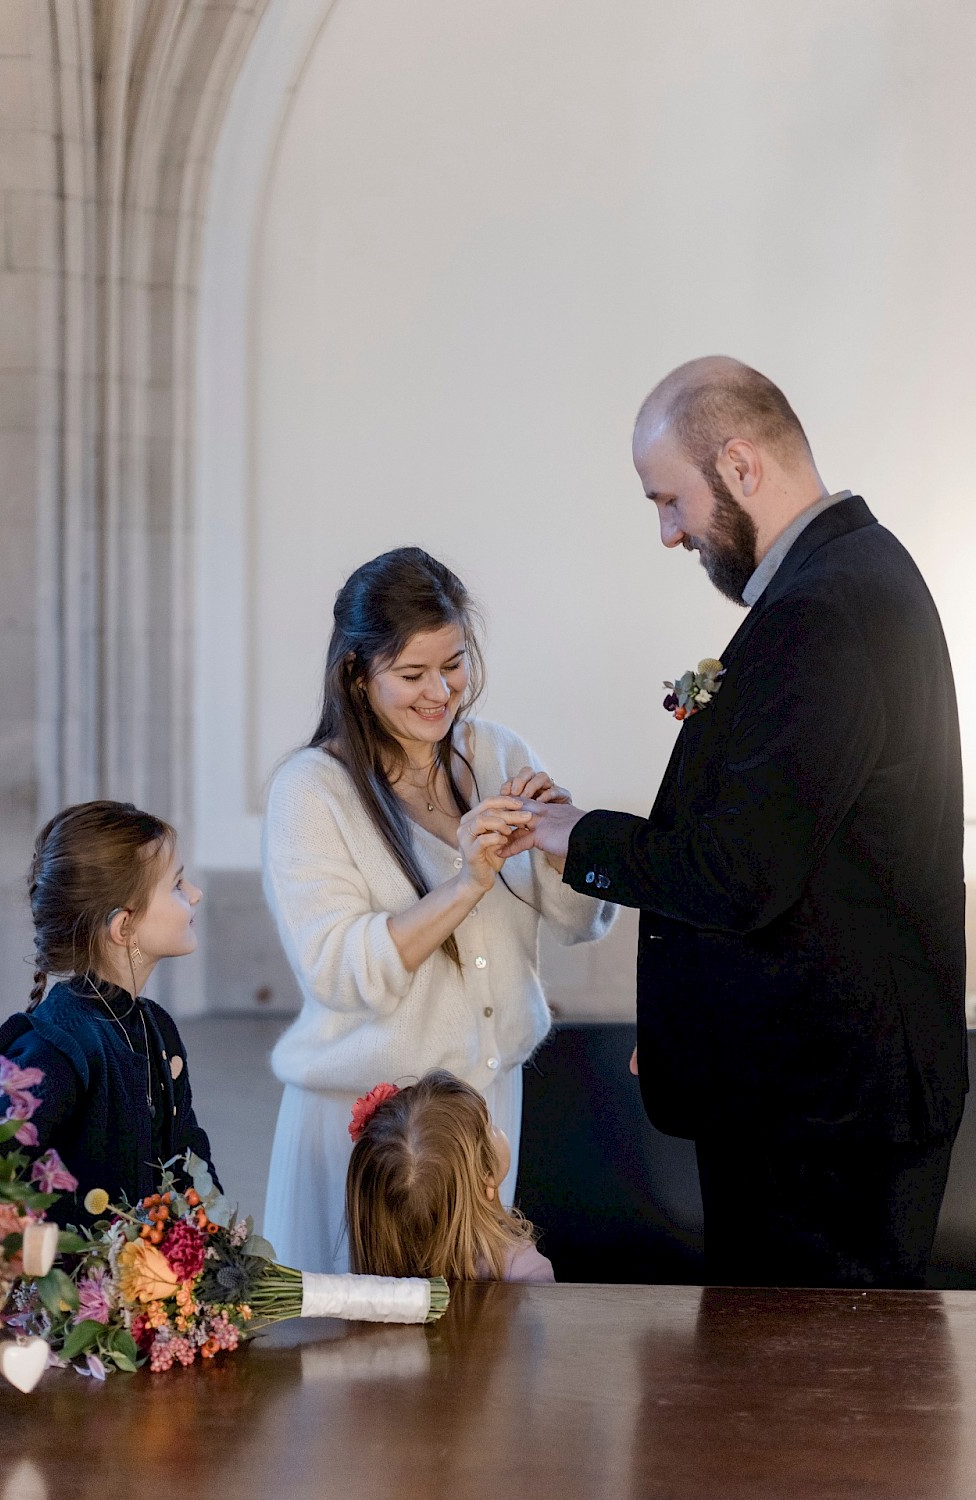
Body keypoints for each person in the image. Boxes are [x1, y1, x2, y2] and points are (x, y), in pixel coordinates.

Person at [521, 356, 967, 1288]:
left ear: (739, 463)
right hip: (827, 1095)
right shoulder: (851, 575)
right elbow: (815, 868)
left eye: (669, 499)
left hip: (825, 1126)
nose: (667, 532)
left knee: (799, 1414)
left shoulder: (824, 611)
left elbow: (740, 872)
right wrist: (693, 1016)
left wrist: (578, 838)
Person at [261, 546, 614, 1273]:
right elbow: (336, 971)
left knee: (471, 1357)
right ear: (358, 677)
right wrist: (464, 885)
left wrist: (563, 846)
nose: (440, 693)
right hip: (371, 1135)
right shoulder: (311, 790)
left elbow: (582, 923)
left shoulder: (497, 752)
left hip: (479, 1120)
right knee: (353, 1366)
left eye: (453, 665)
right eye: (412, 675)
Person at [0, 801, 219, 1225]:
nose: (195, 894)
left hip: (149, 1283)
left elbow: (189, 1156)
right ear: (123, 927)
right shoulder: (54, 1051)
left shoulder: (157, 1029)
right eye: (177, 884)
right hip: (75, 1289)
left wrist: (212, 1238)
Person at [345, 1070, 554, 1282]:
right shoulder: (524, 1269)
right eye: (489, 1126)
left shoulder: (381, 1277)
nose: (497, 1130)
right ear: (486, 1178)